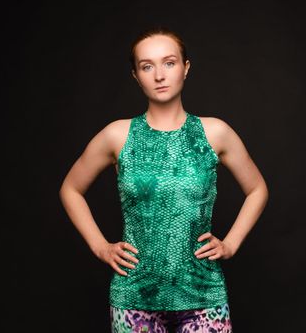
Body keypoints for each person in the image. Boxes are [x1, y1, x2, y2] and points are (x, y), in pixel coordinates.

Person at [59, 26, 269, 332]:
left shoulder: (214, 133)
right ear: (135, 75)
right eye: (147, 66)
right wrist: (100, 246)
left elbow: (257, 189)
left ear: (185, 68)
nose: (159, 75)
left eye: (169, 63)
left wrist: (231, 243)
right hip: (134, 295)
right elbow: (71, 189)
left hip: (202, 292)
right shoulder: (118, 135)